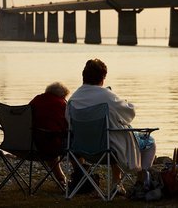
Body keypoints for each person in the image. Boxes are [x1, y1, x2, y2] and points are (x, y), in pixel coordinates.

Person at [66, 58, 156, 192]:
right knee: (149, 141)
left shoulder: (73, 99)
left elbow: (69, 124)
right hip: (107, 150)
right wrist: (128, 103)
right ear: (103, 77)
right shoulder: (107, 96)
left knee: (113, 134)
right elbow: (129, 114)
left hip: (82, 150)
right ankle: (141, 183)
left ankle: (117, 182)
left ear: (83, 76)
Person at [29, 81, 70, 187]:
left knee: (49, 137)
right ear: (62, 95)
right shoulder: (61, 104)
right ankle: (81, 177)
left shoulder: (36, 100)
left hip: (32, 145)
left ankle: (61, 178)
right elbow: (67, 126)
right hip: (52, 145)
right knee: (73, 142)